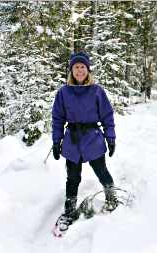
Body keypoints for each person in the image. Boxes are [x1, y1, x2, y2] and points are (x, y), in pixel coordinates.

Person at [51, 52, 118, 232]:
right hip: (72, 141)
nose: (79, 70)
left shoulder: (97, 91)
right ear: (71, 71)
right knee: (72, 178)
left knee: (101, 171)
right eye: (76, 67)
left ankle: (112, 197)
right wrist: (56, 141)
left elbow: (107, 116)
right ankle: (69, 209)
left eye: (82, 67)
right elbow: (57, 118)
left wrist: (110, 137)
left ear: (87, 70)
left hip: (93, 138)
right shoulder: (63, 92)